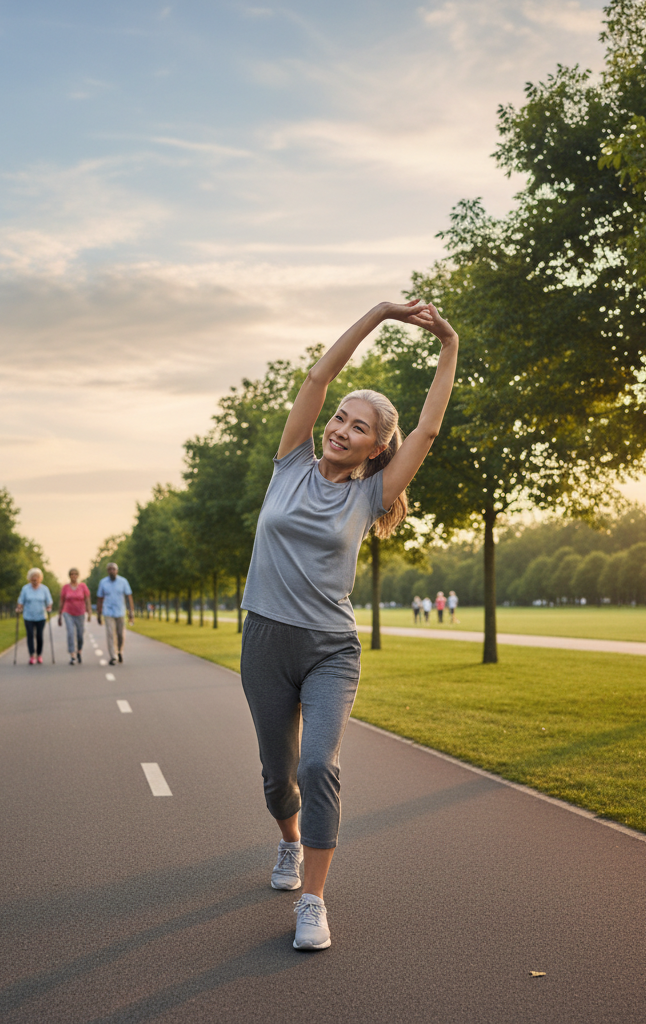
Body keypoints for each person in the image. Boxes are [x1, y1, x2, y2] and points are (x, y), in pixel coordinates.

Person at [239, 299, 458, 951]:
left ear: (375, 446)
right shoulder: (290, 465)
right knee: (278, 775)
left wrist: (449, 345)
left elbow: (427, 430)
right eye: (340, 417)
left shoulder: (371, 494)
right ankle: (289, 843)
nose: (340, 427)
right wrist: (379, 315)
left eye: (358, 426)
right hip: (265, 642)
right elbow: (316, 379)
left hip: (330, 649)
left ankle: (314, 901)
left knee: (317, 766)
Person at [96, 562, 134, 665]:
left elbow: (129, 597)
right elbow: (99, 599)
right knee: (110, 634)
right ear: (107, 571)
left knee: (120, 634)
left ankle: (120, 651)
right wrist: (99, 614)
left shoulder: (123, 581)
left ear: (117, 570)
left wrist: (131, 612)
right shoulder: (103, 582)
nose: (112, 571)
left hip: (120, 611)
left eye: (113, 569)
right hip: (108, 611)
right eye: (110, 569)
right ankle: (113, 656)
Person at [16, 568, 53, 665]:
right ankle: (32, 655)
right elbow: (21, 601)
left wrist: (49, 608)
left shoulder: (44, 589)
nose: (35, 579)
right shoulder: (25, 589)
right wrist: (19, 608)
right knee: (30, 635)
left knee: (39, 636)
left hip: (41, 616)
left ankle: (39, 654)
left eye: (37, 577)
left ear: (40, 578)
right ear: (29, 578)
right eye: (33, 577)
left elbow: (49, 602)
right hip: (28, 616)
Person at [58, 568, 91, 665]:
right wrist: (60, 615)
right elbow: (62, 601)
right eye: (72, 574)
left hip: (80, 613)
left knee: (80, 634)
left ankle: (79, 651)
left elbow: (87, 599)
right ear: (69, 576)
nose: (74, 576)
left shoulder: (83, 586)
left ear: (78, 575)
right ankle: (72, 655)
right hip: (68, 612)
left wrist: (89, 612)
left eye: (75, 574)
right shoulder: (65, 588)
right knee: (70, 633)